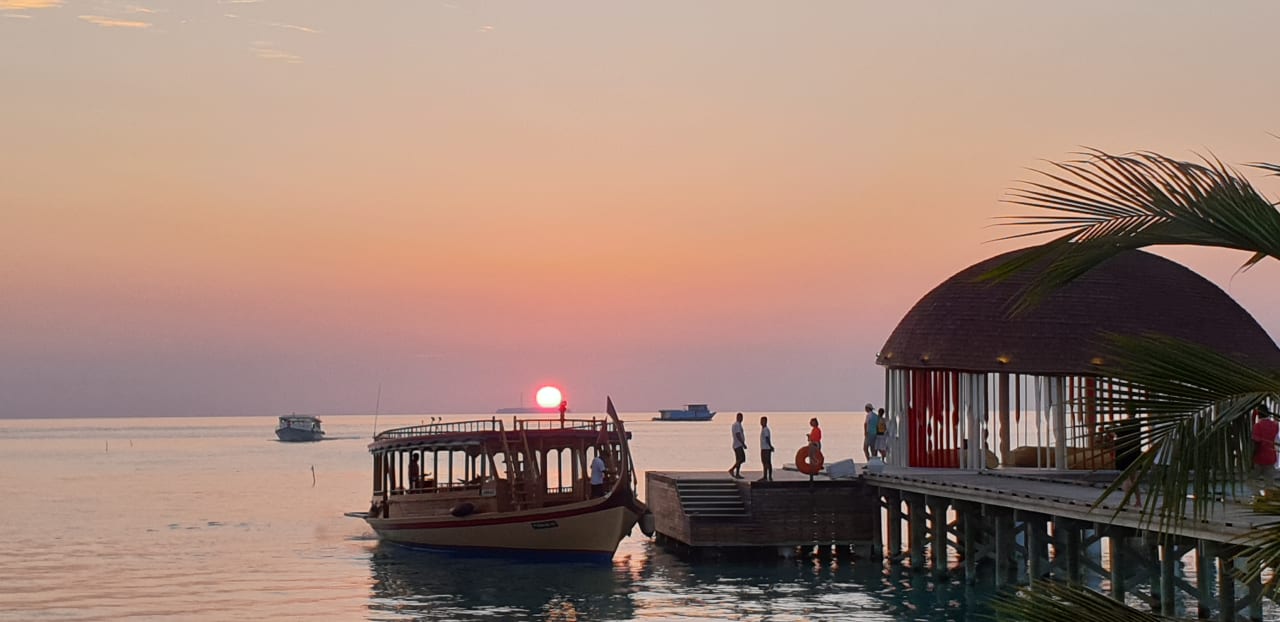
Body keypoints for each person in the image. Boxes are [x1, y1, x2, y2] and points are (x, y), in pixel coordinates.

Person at [1252, 407, 1280, 489]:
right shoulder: (1275, 425)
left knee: (1252, 480)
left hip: (1260, 457)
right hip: (1271, 457)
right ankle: (1268, 498)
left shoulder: (1257, 426)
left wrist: (1252, 457)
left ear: (1259, 414)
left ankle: (1256, 497)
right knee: (1269, 482)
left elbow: (1257, 443)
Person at [728, 412, 746, 479]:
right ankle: (732, 469)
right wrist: (743, 443)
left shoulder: (738, 425)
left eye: (742, 417)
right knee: (742, 459)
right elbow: (738, 434)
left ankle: (737, 473)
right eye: (741, 417)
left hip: (738, 445)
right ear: (738, 417)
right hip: (738, 445)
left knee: (739, 459)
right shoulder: (737, 425)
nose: (742, 419)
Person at [758, 416, 774, 482]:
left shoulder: (766, 430)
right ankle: (766, 476)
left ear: (766, 422)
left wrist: (770, 446)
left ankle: (768, 476)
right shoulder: (764, 429)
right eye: (761, 421)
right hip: (764, 448)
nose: (761, 422)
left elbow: (767, 438)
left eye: (763, 421)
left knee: (767, 462)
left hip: (766, 448)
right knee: (765, 462)